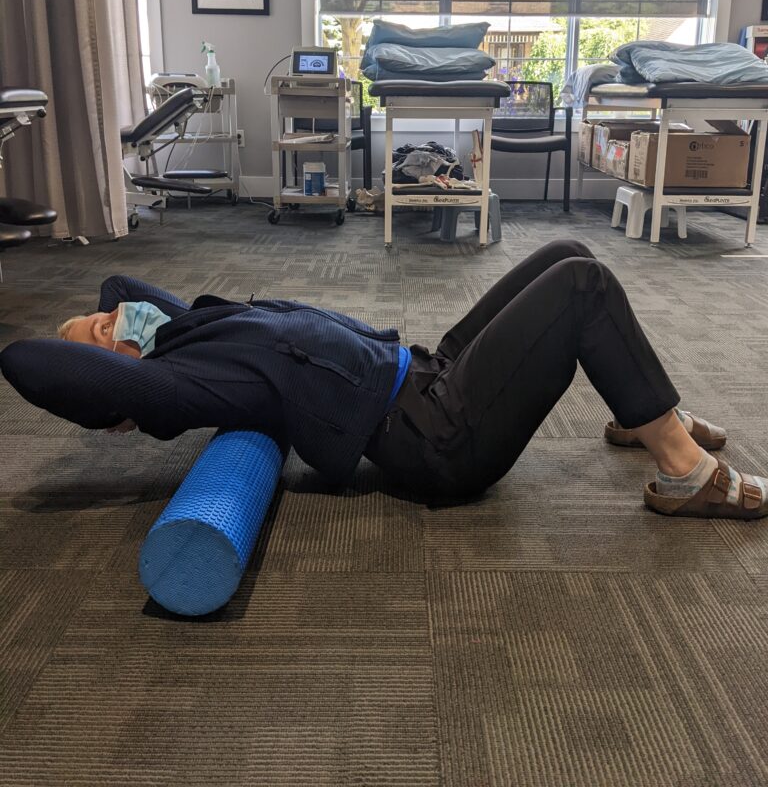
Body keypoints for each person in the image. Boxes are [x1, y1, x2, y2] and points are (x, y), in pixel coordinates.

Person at [1, 240, 765, 520]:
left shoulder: (185, 331)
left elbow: (115, 282)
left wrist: (115, 321)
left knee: (561, 249)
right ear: (111, 384)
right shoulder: (182, 384)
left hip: (428, 371)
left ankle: (639, 409)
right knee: (584, 285)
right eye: (100, 340)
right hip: (436, 437)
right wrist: (97, 361)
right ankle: (681, 470)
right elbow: (32, 362)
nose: (110, 321)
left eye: (105, 322)